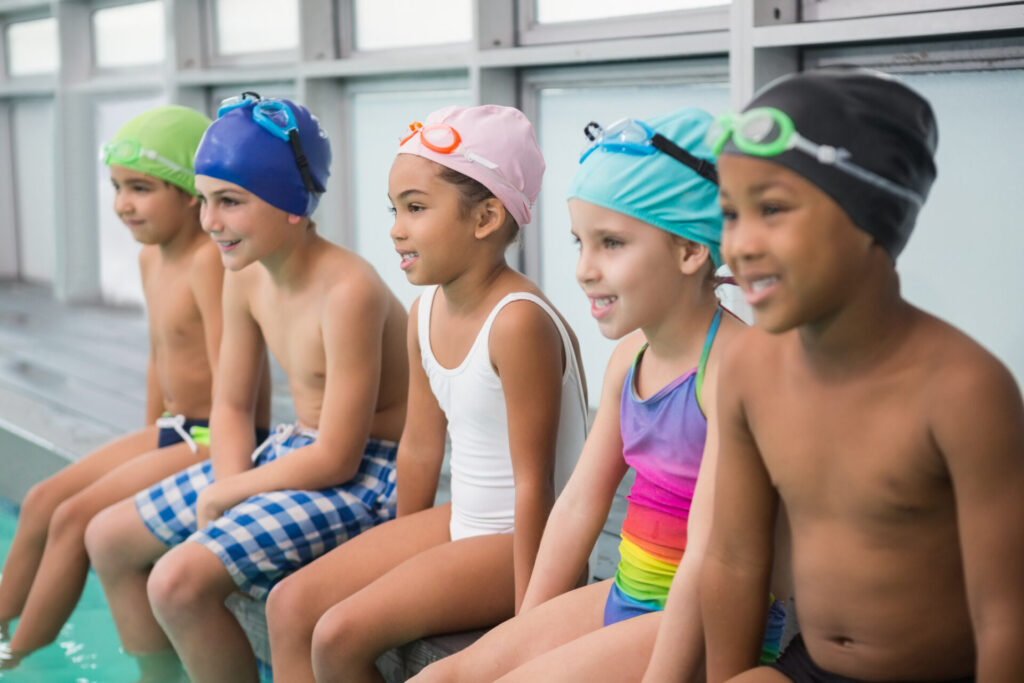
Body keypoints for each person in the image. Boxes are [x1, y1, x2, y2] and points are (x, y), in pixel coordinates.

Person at [413, 107, 782, 683]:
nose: (584, 269)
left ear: (691, 251)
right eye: (579, 243)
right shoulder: (629, 358)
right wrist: (523, 634)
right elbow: (580, 506)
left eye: (611, 243)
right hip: (628, 596)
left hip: (702, 622)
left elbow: (713, 561)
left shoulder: (734, 371)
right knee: (442, 678)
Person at [700, 68, 1024, 682]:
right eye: (731, 214)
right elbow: (734, 559)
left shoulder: (963, 389)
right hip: (809, 666)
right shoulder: (748, 367)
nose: (739, 243)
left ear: (874, 214)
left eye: (771, 209)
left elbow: (1007, 616)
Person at [83, 93, 409, 683]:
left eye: (230, 202)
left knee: (177, 581)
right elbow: (231, 406)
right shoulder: (247, 274)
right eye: (206, 201)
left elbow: (338, 456)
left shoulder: (348, 291)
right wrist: (230, 485)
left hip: (368, 475)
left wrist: (225, 497)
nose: (210, 222)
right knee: (107, 537)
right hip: (288, 454)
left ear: (290, 205)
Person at [262, 104, 588, 683]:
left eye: (415, 208)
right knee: (288, 605)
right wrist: (407, 553)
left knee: (338, 635)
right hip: (460, 523)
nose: (395, 228)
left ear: (486, 217)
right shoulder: (423, 312)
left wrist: (531, 618)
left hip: (522, 544)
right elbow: (417, 448)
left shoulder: (517, 323)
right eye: (394, 209)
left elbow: (535, 484)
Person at [0, 105, 258, 669]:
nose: (123, 204)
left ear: (194, 195)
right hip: (172, 431)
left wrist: (212, 457)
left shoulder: (208, 265)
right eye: (117, 187)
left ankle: (15, 654)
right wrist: (144, 437)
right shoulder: (152, 258)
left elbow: (237, 382)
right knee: (44, 499)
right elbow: (159, 356)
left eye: (141, 188)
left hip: (213, 437)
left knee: (73, 518)